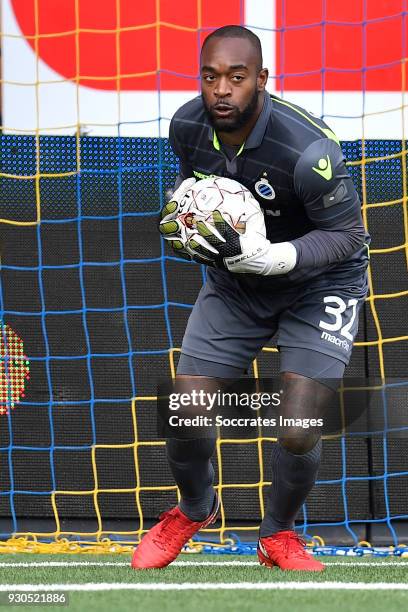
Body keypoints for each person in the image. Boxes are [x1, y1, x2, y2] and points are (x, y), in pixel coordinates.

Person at [132, 25, 369, 571]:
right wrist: (189, 220)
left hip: (319, 283)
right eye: (211, 77)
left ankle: (278, 534)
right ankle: (194, 509)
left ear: (260, 79)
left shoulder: (308, 148)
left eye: (236, 78)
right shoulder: (186, 125)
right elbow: (198, 191)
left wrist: (280, 256)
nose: (221, 90)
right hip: (237, 286)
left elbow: (349, 236)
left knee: (299, 420)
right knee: (185, 408)